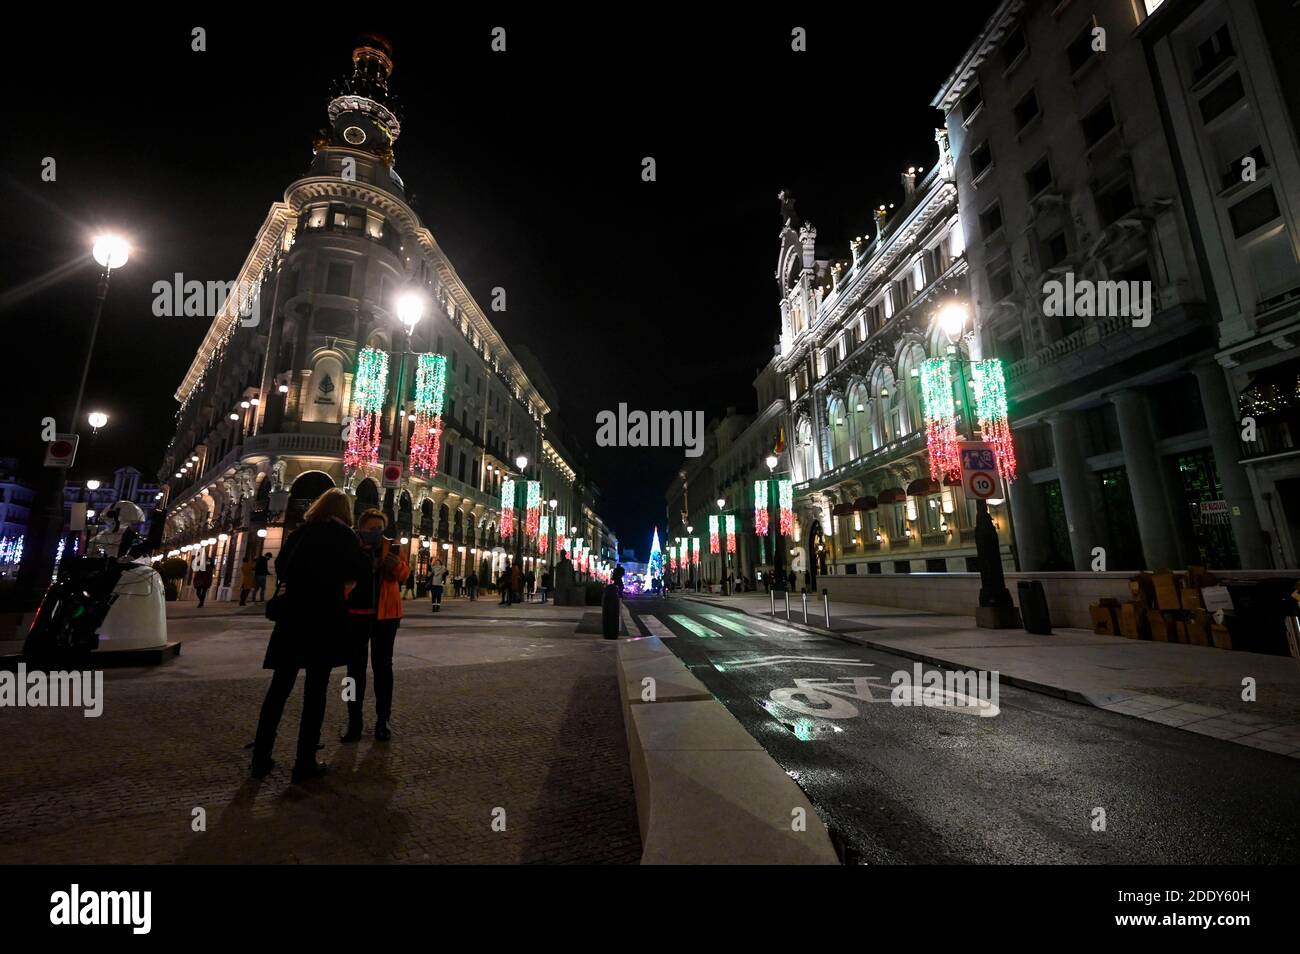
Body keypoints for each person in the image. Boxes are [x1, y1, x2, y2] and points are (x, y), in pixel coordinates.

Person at [251, 489, 363, 784]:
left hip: (292, 617)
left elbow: (281, 567)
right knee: (316, 691)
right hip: (325, 617)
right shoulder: (345, 536)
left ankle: (260, 757)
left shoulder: (299, 533)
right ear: (344, 511)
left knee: (279, 689)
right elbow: (357, 571)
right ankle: (304, 762)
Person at [341, 508, 408, 744]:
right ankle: (352, 719)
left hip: (386, 616)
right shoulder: (351, 547)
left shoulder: (393, 546)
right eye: (371, 529)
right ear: (361, 528)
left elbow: (404, 575)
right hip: (355, 615)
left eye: (380, 528)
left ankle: (383, 719)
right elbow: (343, 577)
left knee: (383, 669)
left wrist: (395, 566)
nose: (377, 533)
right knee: (352, 672)